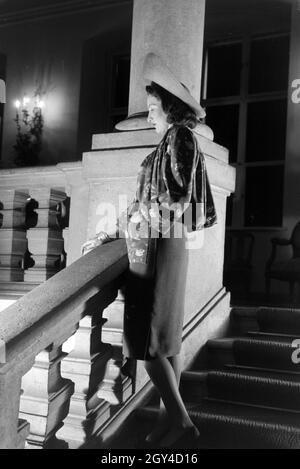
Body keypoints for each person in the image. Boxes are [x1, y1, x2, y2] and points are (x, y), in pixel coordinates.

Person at [82, 53, 217, 449]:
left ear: (171, 109)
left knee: (146, 339)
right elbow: (155, 202)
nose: (149, 117)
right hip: (160, 243)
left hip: (156, 245)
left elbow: (173, 199)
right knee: (165, 341)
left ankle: (180, 420)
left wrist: (125, 228)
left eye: (154, 109)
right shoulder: (173, 141)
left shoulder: (179, 137)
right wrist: (115, 233)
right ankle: (170, 421)